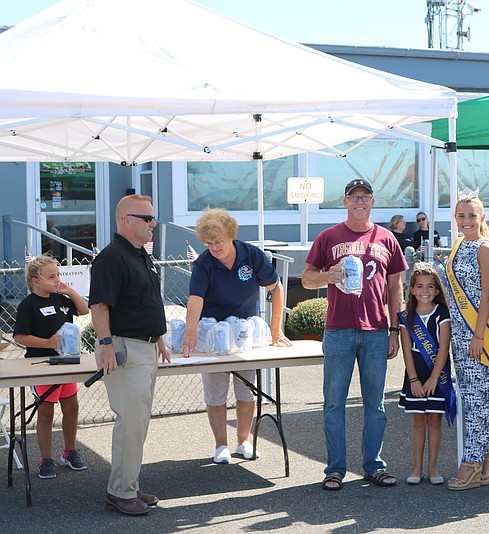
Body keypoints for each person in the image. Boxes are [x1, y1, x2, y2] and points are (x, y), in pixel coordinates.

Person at [302, 178, 407, 491]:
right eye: (354, 197)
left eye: (365, 197)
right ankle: (334, 469)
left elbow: (395, 287)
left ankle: (373, 467)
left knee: (375, 405)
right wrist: (325, 276)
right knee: (334, 403)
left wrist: (394, 330)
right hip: (338, 331)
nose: (360, 202)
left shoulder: (387, 238)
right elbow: (306, 279)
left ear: (372, 202)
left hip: (376, 331)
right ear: (344, 202)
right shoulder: (329, 237)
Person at [181, 209, 292, 464]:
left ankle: (243, 441)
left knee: (246, 392)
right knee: (216, 394)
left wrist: (276, 329)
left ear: (230, 235)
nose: (214, 247)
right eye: (208, 243)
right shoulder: (204, 263)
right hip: (213, 337)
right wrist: (190, 333)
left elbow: (276, 288)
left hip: (245, 336)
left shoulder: (252, 255)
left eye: (218, 241)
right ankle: (221, 444)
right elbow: (195, 299)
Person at [89, 194, 171, 516]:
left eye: (153, 218)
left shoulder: (139, 255)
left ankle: (129, 485)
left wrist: (159, 339)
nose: (154, 224)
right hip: (125, 349)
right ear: (126, 220)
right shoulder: (112, 258)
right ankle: (120, 492)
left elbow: (144, 301)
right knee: (130, 423)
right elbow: (99, 305)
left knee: (138, 423)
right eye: (148, 219)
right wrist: (106, 343)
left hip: (145, 347)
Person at [443, 189, 489, 490]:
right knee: (476, 399)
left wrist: (478, 335)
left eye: (472, 215)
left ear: (482, 217)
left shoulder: (485, 248)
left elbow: (486, 297)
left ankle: (471, 462)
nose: (466, 220)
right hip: (459, 333)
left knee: (475, 402)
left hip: (478, 334)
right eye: (461, 215)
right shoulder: (457, 246)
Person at [13, 255, 90, 480]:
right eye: (51, 276)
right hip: (42, 365)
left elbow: (84, 310)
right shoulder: (28, 305)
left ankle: (70, 451)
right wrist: (47, 343)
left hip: (66, 364)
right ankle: (46, 458)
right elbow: (20, 336)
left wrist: (70, 291)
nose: (57, 279)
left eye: (58, 274)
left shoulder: (61, 299)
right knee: (46, 412)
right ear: (36, 281)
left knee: (72, 408)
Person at [398, 262, 453, 486]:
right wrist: (414, 380)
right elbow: (406, 352)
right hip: (416, 374)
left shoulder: (442, 314)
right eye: (419, 286)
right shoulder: (406, 317)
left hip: (438, 375)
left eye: (430, 287)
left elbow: (443, 348)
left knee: (435, 421)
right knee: (418, 420)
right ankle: (417, 468)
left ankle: (433, 468)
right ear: (411, 289)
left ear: (437, 291)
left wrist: (432, 379)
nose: (425, 292)